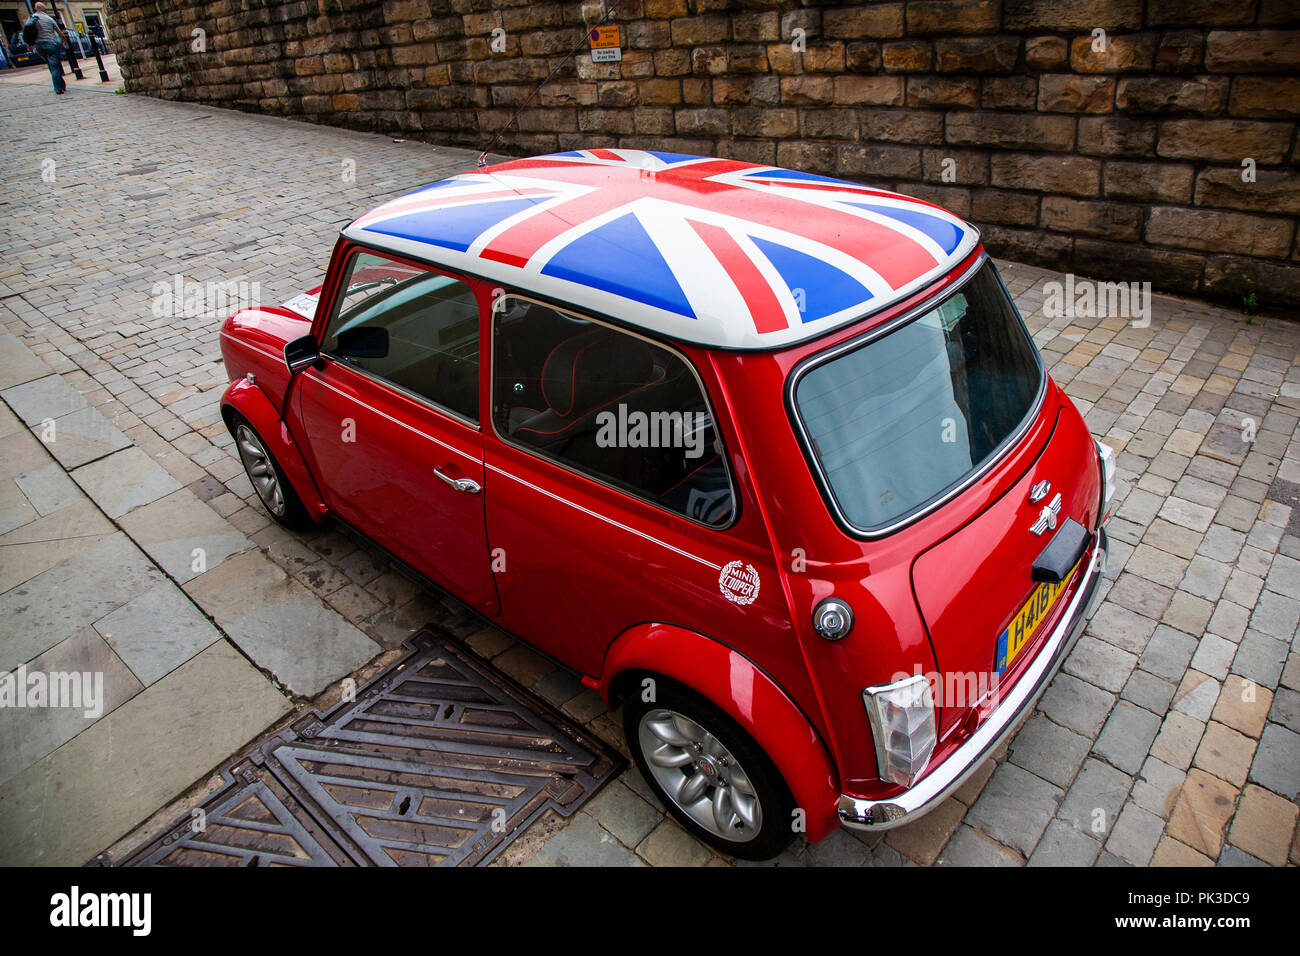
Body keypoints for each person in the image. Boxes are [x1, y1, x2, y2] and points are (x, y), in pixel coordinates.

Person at [24, 2, 70, 95]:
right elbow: (59, 32)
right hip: (50, 44)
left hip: (39, 46)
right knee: (54, 66)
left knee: (52, 65)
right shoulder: (49, 19)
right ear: (44, 9)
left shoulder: (31, 18)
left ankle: (61, 84)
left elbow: (27, 32)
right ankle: (58, 88)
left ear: (35, 9)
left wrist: (29, 44)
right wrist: (64, 41)